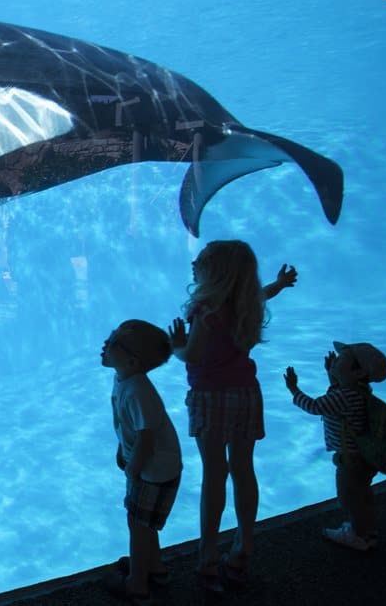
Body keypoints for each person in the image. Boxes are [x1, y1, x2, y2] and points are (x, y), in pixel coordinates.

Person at [166, 240, 296, 591]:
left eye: (202, 263)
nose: (195, 265)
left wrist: (177, 344)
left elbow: (192, 355)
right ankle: (243, 548)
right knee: (243, 470)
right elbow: (263, 293)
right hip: (246, 395)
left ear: (215, 274)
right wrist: (280, 284)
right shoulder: (245, 303)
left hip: (211, 398)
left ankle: (208, 559)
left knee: (214, 475)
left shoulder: (205, 310)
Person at [100, 319, 181, 605]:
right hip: (156, 466)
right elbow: (128, 426)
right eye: (110, 336)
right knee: (145, 524)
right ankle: (155, 567)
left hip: (152, 471)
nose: (106, 344)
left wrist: (133, 468)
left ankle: (137, 585)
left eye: (114, 343)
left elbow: (146, 437)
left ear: (132, 361)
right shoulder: (123, 377)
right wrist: (124, 450)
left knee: (137, 524)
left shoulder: (138, 391)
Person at [284, 341, 386, 551]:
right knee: (363, 495)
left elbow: (315, 406)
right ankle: (368, 530)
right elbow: (340, 391)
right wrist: (332, 374)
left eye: (343, 359)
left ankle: (357, 536)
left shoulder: (344, 396)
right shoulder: (359, 390)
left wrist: (294, 390)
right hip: (363, 458)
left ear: (359, 372)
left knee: (348, 497)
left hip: (349, 461)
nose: (337, 360)